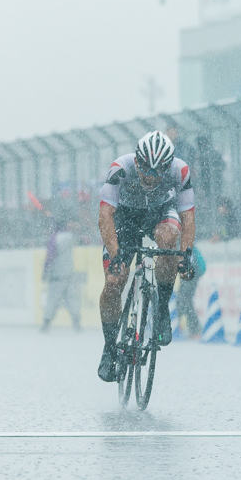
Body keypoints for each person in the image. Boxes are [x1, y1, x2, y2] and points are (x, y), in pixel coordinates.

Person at [96, 130, 196, 382]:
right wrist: (117, 255)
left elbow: (188, 216)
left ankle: (161, 310)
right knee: (114, 281)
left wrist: (186, 254)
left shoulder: (180, 170)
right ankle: (109, 348)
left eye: (157, 171)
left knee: (169, 237)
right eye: (144, 168)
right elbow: (105, 216)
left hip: (160, 211)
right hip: (125, 217)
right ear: (137, 159)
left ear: (168, 166)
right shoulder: (120, 167)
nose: (149, 176)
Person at [41, 216, 81, 332]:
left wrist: (45, 272)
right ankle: (76, 321)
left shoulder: (54, 239)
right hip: (68, 272)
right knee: (71, 299)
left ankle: (46, 323)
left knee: (52, 300)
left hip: (57, 274)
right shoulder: (70, 236)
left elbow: (50, 257)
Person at [175, 244, 206, 338]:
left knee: (185, 303)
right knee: (184, 303)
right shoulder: (192, 248)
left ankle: (193, 329)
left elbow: (200, 267)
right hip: (188, 278)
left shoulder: (190, 249)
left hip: (189, 278)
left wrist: (192, 277)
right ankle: (191, 328)